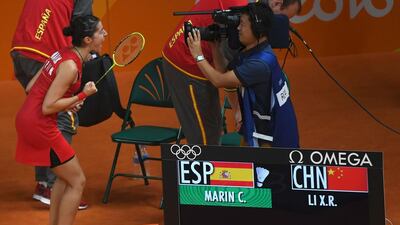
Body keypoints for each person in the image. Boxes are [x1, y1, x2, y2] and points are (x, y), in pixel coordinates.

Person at [15, 15, 106, 225]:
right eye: (100, 32)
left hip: (27, 118)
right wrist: (82, 95)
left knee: (64, 178)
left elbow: (31, 88)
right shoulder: (71, 67)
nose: (105, 35)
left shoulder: (61, 53)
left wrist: (68, 101)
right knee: (77, 181)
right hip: (40, 125)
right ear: (87, 40)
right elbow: (48, 107)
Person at [187, 2, 299, 148]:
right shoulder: (252, 52)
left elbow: (218, 80)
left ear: (257, 29)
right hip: (258, 124)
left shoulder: (260, 63)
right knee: (245, 164)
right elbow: (224, 73)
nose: (238, 28)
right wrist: (215, 47)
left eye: (243, 24)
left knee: (261, 169)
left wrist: (198, 55)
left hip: (273, 136)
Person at [162, 0, 248, 145]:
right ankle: (206, 165)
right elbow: (225, 74)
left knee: (213, 127)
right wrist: (237, 110)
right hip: (186, 62)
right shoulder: (238, 12)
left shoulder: (246, 8)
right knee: (205, 138)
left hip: (203, 57)